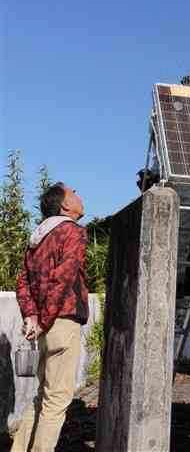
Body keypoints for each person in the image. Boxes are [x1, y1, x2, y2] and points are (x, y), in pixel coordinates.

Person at [11, 183, 88, 452]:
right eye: (74, 192)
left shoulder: (38, 236)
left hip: (44, 326)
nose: (80, 194)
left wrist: (32, 316)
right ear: (65, 206)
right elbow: (63, 279)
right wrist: (44, 319)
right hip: (62, 321)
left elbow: (23, 282)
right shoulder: (72, 231)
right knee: (56, 402)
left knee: (40, 398)